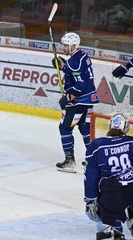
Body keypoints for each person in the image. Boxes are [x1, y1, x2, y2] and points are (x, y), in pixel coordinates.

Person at [83, 113, 133, 240]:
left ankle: (114, 230)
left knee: (107, 221)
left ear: (110, 126)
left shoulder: (96, 146)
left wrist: (90, 200)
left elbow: (91, 176)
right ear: (126, 128)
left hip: (111, 194)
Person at [52, 32, 99, 173]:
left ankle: (70, 161)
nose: (63, 48)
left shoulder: (73, 62)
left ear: (73, 46)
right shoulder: (81, 55)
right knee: (85, 129)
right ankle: (94, 160)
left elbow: (81, 83)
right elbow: (77, 73)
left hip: (79, 101)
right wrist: (63, 67)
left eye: (66, 46)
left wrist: (69, 97)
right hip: (89, 99)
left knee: (65, 128)